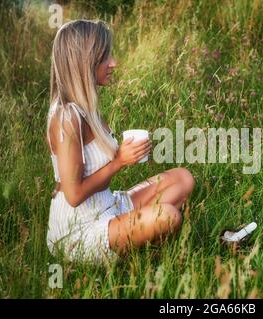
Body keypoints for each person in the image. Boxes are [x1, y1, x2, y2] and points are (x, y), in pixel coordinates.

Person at [45, 19, 195, 263]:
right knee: (168, 216)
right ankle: (136, 252)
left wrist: (129, 153)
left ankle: (133, 237)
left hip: (109, 204)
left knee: (183, 178)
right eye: (105, 57)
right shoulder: (67, 117)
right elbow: (73, 195)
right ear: (84, 61)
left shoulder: (86, 105)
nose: (113, 63)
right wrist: (119, 162)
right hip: (79, 229)